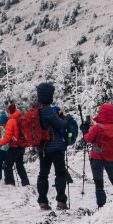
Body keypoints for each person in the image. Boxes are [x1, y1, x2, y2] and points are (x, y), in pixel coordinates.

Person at [81, 102, 113, 209]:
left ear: (102, 113)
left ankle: (102, 207)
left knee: (99, 185)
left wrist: (85, 130)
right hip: (111, 158)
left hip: (97, 159)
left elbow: (87, 139)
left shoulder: (97, 128)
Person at [34, 82, 69, 211]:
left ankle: (42, 201)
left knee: (43, 173)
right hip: (55, 147)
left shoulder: (36, 110)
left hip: (42, 148)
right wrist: (65, 118)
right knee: (60, 173)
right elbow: (60, 125)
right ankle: (61, 201)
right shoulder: (48, 109)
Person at [1, 103, 29, 187]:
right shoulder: (21, 117)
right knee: (19, 165)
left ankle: (10, 183)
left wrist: (0, 143)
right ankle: (25, 182)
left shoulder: (11, 121)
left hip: (14, 146)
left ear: (10, 112)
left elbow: (7, 137)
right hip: (22, 145)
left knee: (7, 165)